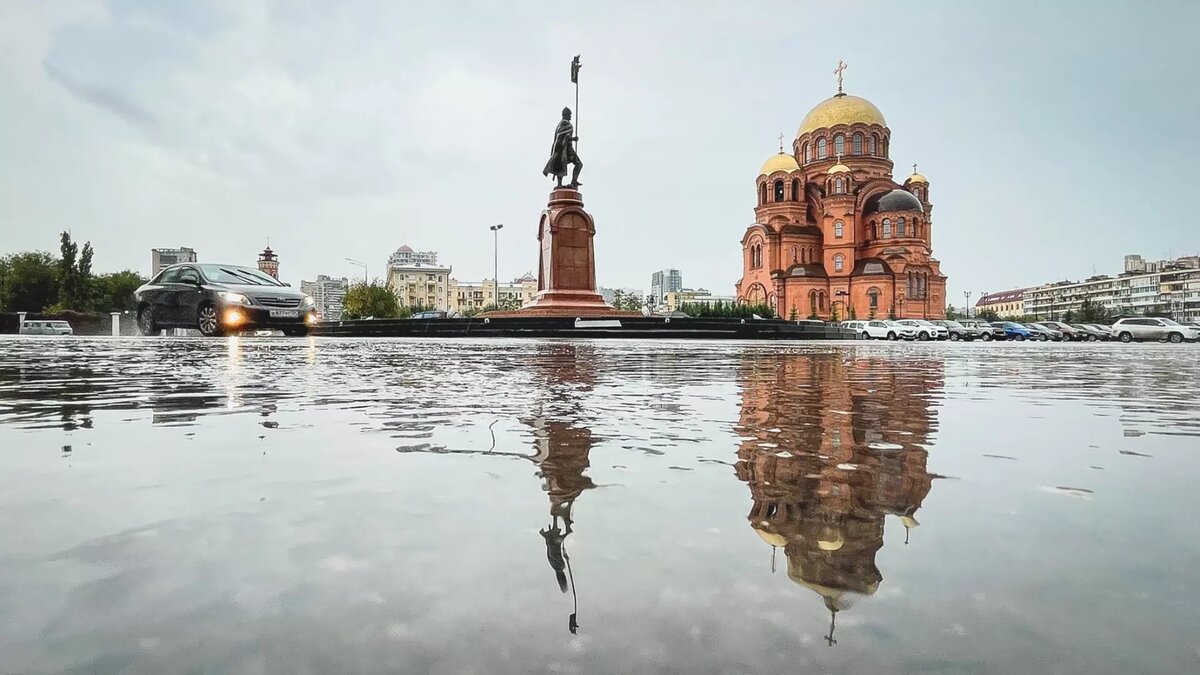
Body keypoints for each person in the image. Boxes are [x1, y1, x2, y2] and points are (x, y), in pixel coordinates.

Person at [542, 107, 583, 189]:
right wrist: (573, 138)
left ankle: (573, 181)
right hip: (561, 149)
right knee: (560, 165)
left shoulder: (566, 123)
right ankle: (559, 184)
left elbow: (566, 136)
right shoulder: (563, 123)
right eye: (569, 114)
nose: (571, 116)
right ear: (565, 115)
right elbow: (562, 136)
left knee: (579, 164)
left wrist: (572, 139)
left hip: (569, 149)